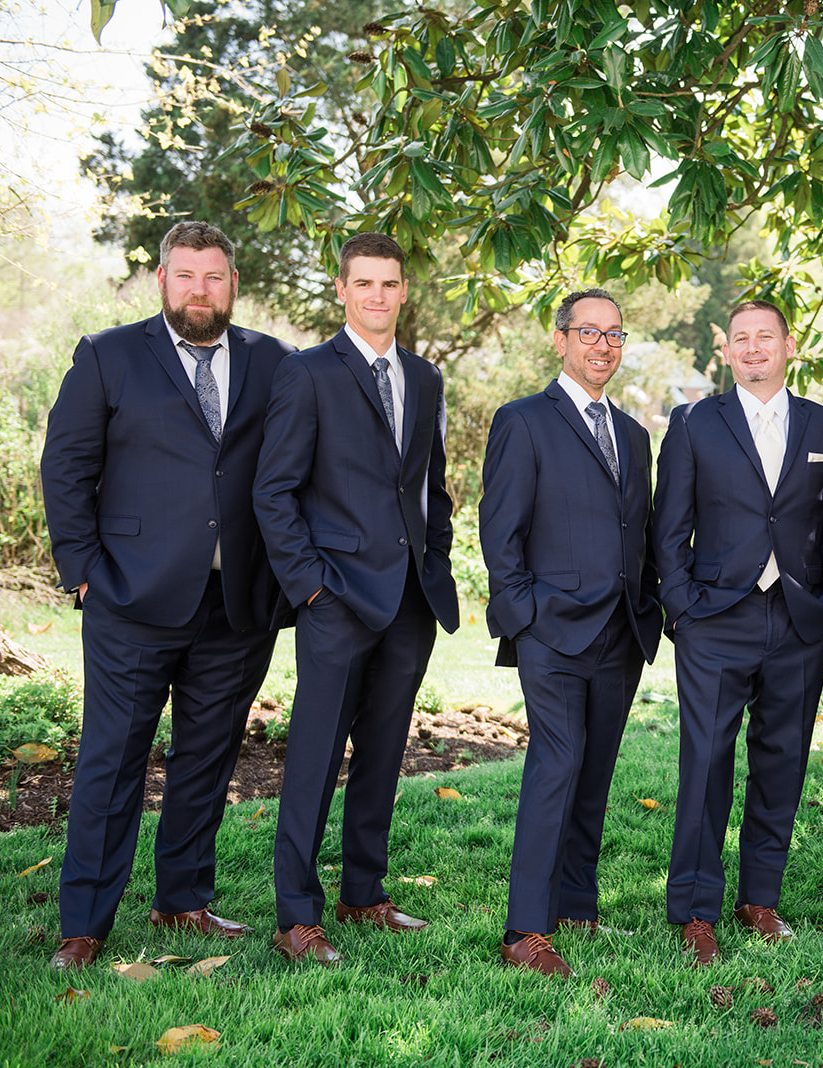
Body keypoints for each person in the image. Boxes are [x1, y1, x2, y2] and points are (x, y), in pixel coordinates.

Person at [39, 221, 293, 970]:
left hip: (236, 603)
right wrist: (81, 567)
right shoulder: (108, 355)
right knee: (112, 761)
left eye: (215, 277)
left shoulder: (272, 361)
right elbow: (66, 467)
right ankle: (83, 925)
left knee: (207, 758)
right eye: (187, 276)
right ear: (162, 280)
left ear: (233, 284)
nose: (201, 291)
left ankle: (182, 900)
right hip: (130, 597)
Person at [253, 233, 460, 965]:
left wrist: (435, 558)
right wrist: (309, 585)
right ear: (341, 290)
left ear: (405, 292)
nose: (377, 295)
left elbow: (430, 485)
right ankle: (296, 916)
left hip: (410, 601)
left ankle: (364, 893)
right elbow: (273, 491)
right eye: (363, 283)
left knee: (382, 751)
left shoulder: (426, 378)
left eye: (390, 283)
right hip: (335, 597)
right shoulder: (306, 374)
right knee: (314, 753)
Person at [653, 300, 823, 966]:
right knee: (706, 762)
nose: (752, 348)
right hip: (715, 620)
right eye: (739, 339)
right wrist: (684, 608)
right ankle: (694, 908)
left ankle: (760, 898)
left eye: (764, 336)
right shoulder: (693, 424)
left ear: (788, 345)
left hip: (799, 620)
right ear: (727, 352)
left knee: (783, 762)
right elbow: (668, 529)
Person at [479, 288, 662, 977]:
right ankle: (525, 927)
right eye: (589, 332)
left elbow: (634, 532)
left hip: (621, 633)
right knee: (556, 764)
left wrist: (645, 605)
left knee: (594, 772)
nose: (603, 346)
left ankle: (578, 906)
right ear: (560, 340)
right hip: (550, 629)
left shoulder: (636, 435)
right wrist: (524, 615)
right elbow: (501, 531)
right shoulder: (523, 421)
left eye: (614, 334)